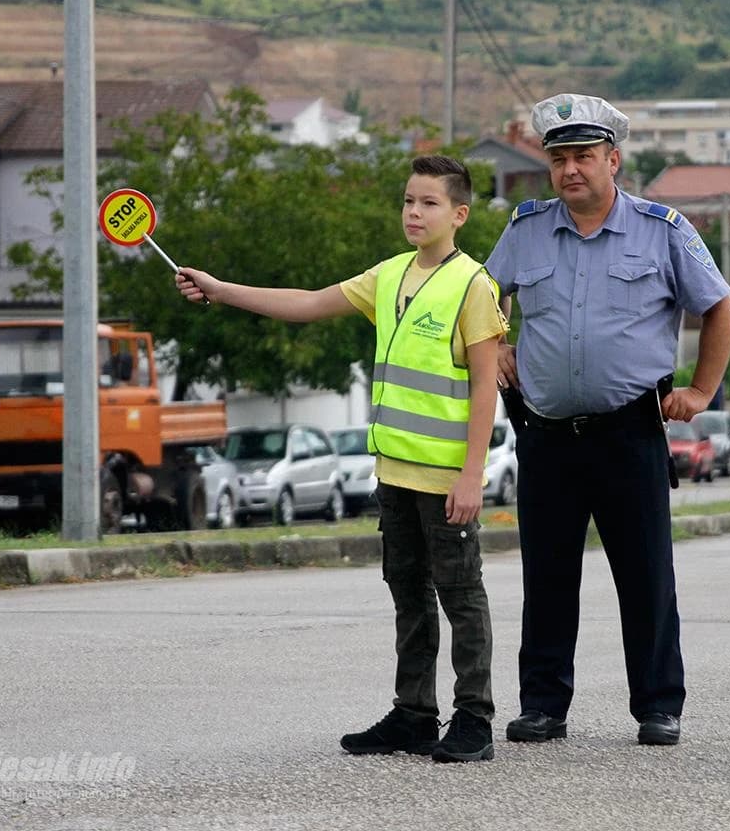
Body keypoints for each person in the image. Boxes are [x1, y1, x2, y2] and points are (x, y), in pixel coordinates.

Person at [174, 155, 507, 764]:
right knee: (408, 592)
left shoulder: (473, 285)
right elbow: (305, 302)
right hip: (393, 474)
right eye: (408, 200)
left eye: (429, 203)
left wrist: (471, 475)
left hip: (445, 478)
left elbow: (487, 385)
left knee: (461, 595)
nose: (414, 211)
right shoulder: (388, 276)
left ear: (458, 215)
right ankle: (413, 716)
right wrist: (221, 291)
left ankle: (475, 718)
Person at [485, 93, 730, 747]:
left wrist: (703, 390)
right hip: (545, 432)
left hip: (630, 431)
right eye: (560, 157)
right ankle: (542, 705)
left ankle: (658, 705)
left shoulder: (663, 229)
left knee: (646, 574)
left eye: (585, 156)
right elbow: (481, 300)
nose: (571, 170)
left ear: (614, 160)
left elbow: (718, 307)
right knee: (547, 576)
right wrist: (499, 343)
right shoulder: (526, 229)